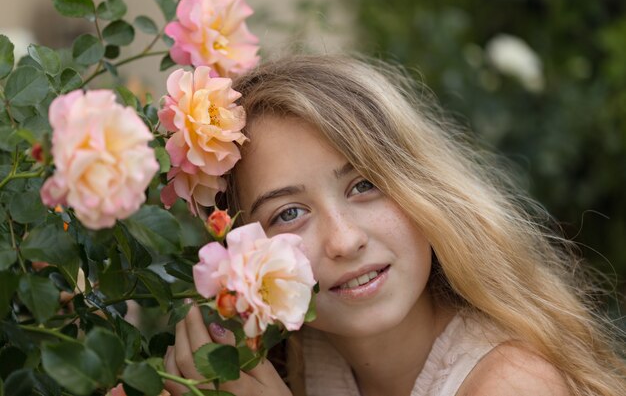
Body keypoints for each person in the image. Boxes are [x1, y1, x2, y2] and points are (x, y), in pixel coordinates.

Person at [163, 55, 626, 396]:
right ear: (243, 251)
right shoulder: (297, 360)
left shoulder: (512, 385)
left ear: (421, 186)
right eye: (289, 214)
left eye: (364, 185)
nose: (345, 240)